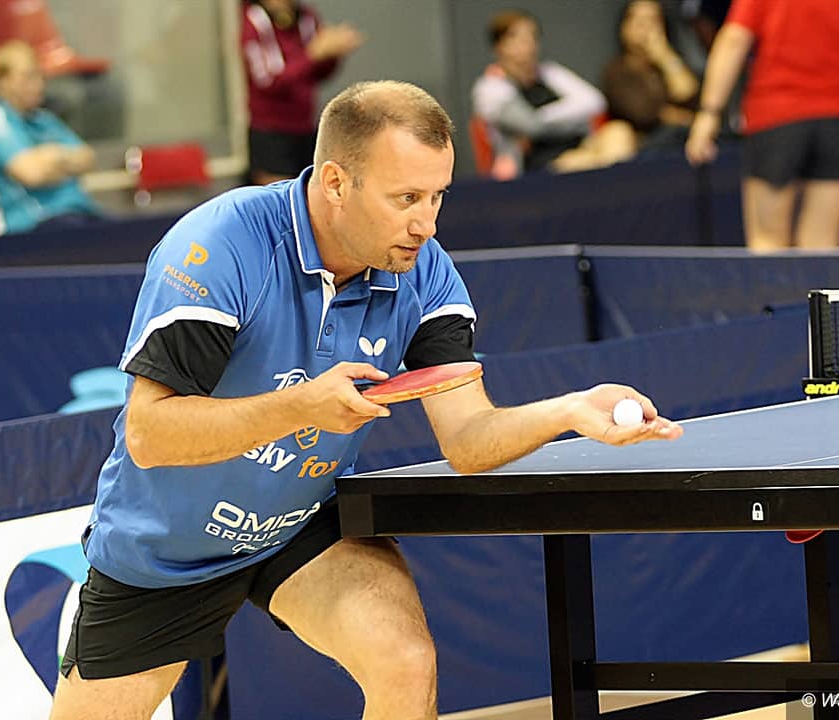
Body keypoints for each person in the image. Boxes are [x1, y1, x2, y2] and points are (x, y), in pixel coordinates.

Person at [49, 80, 682, 720]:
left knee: (404, 660)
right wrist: (300, 408)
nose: (426, 225)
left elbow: (467, 440)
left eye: (437, 196)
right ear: (335, 182)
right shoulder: (223, 247)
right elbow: (150, 435)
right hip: (165, 550)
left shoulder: (422, 270)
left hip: (295, 525)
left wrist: (568, 411)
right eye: (406, 198)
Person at [685, 0, 839, 252]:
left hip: (776, 117)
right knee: (822, 243)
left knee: (768, 243)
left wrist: (709, 113)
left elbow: (734, 40)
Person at [471, 9, 636, 179]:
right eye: (516, 37)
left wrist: (546, 117)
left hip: (580, 148)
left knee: (619, 132)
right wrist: (573, 117)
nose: (527, 44)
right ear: (499, 46)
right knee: (584, 163)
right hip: (535, 167)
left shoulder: (551, 73)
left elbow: (595, 102)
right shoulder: (490, 89)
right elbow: (532, 126)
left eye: (532, 36)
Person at [0, 40, 101, 235]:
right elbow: (32, 173)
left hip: (81, 214)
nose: (38, 85)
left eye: (40, 76)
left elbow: (88, 159)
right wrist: (65, 160)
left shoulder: (44, 119)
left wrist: (52, 156)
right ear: (1, 82)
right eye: (27, 77)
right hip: (35, 227)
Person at [241, 0, 362, 184]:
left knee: (310, 190)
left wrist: (332, 53)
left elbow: (317, 74)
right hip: (271, 131)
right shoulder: (255, 20)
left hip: (305, 126)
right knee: (277, 195)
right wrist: (313, 55)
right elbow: (267, 81)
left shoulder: (307, 17)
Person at [602, 0, 701, 151]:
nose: (645, 27)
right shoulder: (617, 70)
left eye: (653, 20)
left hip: (682, 142)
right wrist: (675, 116)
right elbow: (643, 114)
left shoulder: (669, 62)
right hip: (642, 146)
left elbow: (688, 93)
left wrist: (665, 56)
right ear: (624, 28)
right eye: (638, 20)